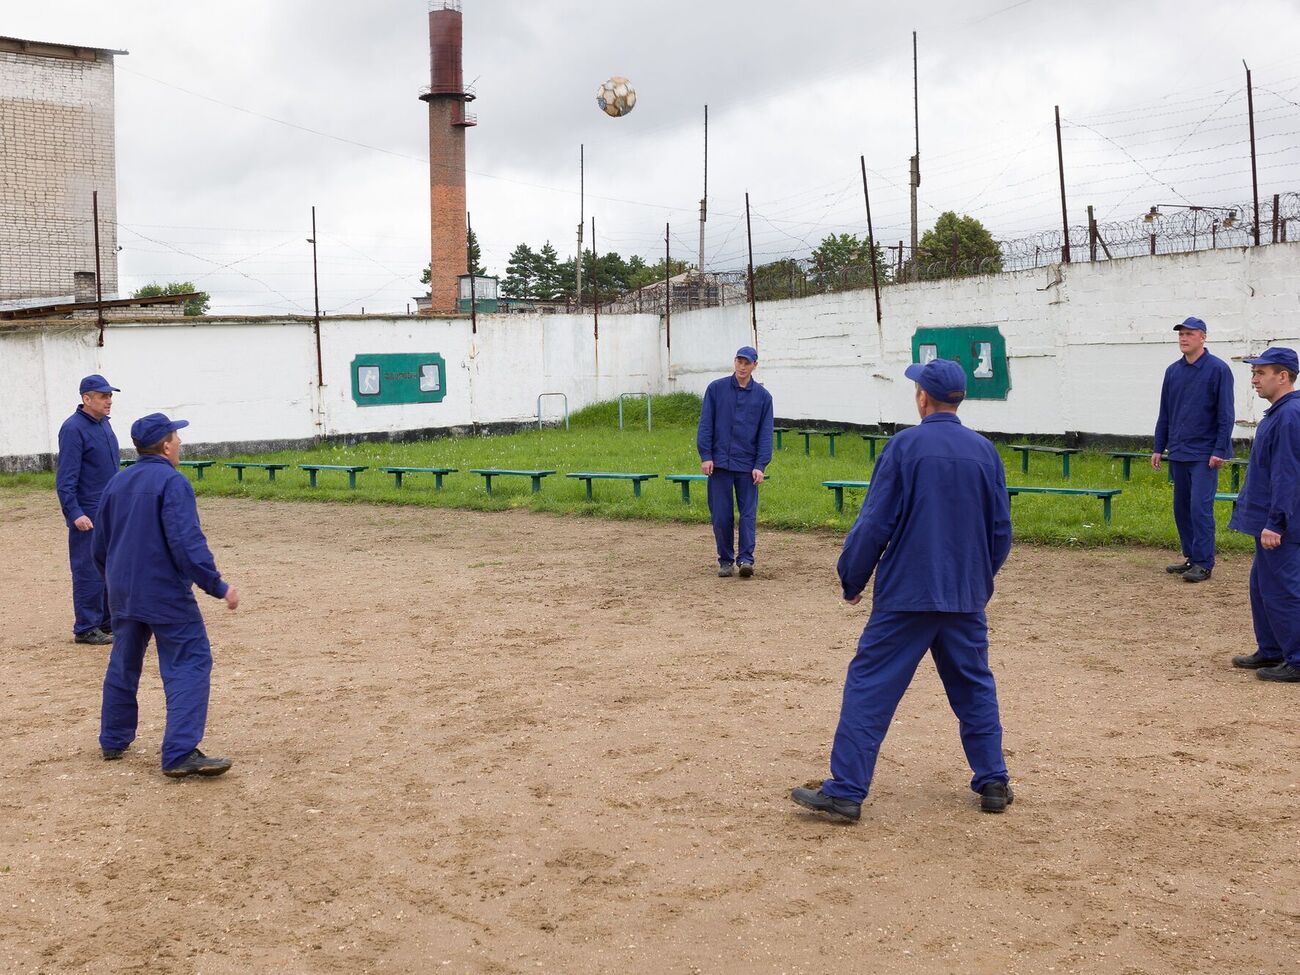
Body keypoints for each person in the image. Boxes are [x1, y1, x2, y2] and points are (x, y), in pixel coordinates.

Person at [791, 358, 1014, 822]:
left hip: (907, 594)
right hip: (964, 595)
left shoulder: (903, 447)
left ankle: (847, 790)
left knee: (870, 686)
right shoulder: (985, 452)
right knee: (974, 687)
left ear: (922, 397)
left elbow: (875, 522)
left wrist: (853, 577)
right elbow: (1000, 532)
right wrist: (978, 580)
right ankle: (993, 780)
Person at [93, 413, 240, 777]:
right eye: (176, 438)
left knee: (124, 662)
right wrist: (217, 586)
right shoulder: (173, 483)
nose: (180, 443)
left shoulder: (117, 482)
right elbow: (187, 544)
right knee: (190, 661)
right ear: (165, 445)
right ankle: (179, 752)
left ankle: (113, 739)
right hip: (163, 592)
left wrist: (113, 581)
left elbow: (98, 545)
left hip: (123, 590)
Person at [1228, 347, 1300, 683]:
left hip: (1281, 525)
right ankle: (1271, 649)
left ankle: (1297, 659)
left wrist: (1276, 522)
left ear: (1282, 376)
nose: (1254, 380)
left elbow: (1287, 474)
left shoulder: (1289, 415)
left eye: (1261, 373)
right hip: (1268, 521)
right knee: (1261, 586)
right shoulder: (1280, 412)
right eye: (1254, 373)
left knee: (1283, 589)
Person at [1152, 316, 1235, 583]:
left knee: (1200, 507)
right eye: (1180, 335)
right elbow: (1165, 411)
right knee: (1182, 508)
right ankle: (1190, 556)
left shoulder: (1218, 370)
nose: (1183, 339)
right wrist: (1158, 446)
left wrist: (1220, 449)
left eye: (1189, 334)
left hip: (1205, 453)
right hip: (1178, 451)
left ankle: (1204, 561)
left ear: (1203, 337)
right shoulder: (1172, 371)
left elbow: (1226, 414)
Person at [55, 374, 122, 645]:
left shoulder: (104, 425)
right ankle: (86, 627)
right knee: (87, 569)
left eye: (110, 396)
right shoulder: (73, 429)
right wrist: (74, 513)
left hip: (109, 509)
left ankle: (105, 622)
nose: (109, 401)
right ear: (87, 399)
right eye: (104, 396)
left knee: (110, 568)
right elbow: (65, 479)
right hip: (88, 512)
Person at [696, 346, 774, 578]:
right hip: (719, 464)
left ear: (754, 366)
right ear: (734, 362)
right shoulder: (716, 389)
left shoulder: (763, 397)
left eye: (747, 363)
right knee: (721, 515)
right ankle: (726, 560)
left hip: (748, 466)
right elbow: (706, 424)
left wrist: (761, 464)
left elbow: (765, 434)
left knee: (748, 514)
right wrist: (706, 455)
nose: (742, 366)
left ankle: (746, 559)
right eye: (739, 361)